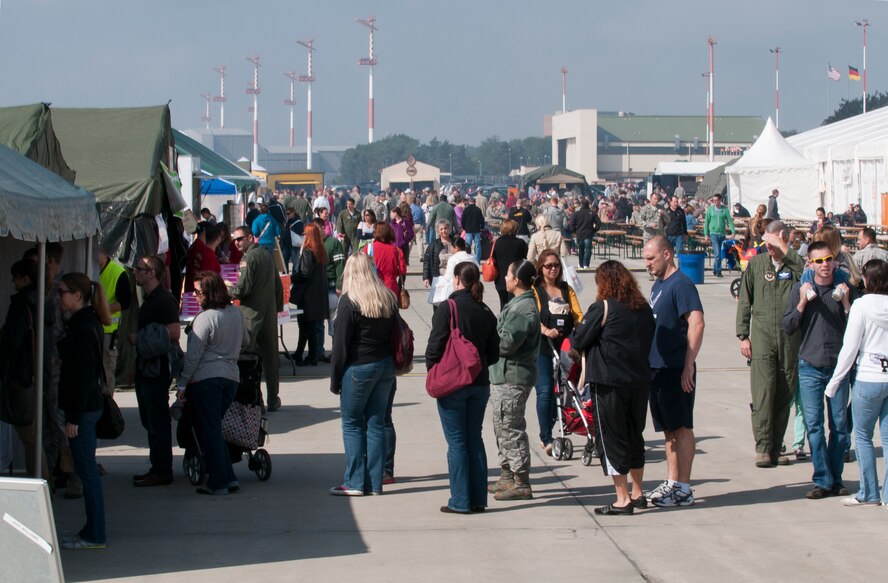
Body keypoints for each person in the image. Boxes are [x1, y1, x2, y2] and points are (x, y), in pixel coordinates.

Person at [572, 260, 655, 516]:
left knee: (611, 438)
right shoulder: (642, 308)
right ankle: (638, 491)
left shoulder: (603, 307)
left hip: (609, 382)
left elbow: (578, 339)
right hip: (639, 380)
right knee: (634, 436)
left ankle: (622, 498)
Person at [782, 241, 856, 499]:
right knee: (814, 425)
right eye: (819, 261)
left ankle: (836, 478)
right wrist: (802, 302)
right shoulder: (801, 289)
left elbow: (857, 328)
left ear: (835, 260)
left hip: (838, 366)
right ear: (810, 264)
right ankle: (822, 479)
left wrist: (847, 303)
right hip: (810, 365)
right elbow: (788, 326)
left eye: (829, 259)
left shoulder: (845, 288)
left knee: (839, 425)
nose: (825, 265)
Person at [428, 262, 499, 512]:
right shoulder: (485, 310)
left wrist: (434, 370)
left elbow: (434, 345)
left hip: (454, 383)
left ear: (457, 279)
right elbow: (494, 352)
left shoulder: (449, 308)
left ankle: (460, 500)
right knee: (474, 439)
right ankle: (478, 499)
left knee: (457, 442)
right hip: (479, 383)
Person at [642, 236, 705, 508]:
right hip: (657, 367)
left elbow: (697, 323)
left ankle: (684, 487)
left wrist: (688, 363)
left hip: (676, 367)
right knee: (668, 429)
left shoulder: (682, 284)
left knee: (681, 426)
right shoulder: (659, 285)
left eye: (651, 258)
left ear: (667, 254)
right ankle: (672, 481)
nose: (647, 264)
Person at [736, 222, 804, 467]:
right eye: (767, 243)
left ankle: (777, 446)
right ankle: (763, 447)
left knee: (785, 391)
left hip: (789, 337)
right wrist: (743, 335)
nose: (770, 248)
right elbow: (745, 300)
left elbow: (807, 272)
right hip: (762, 335)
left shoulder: (793, 266)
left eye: (774, 243)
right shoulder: (757, 265)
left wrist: (784, 248)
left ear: (783, 240)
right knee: (763, 392)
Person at [329, 254, 397, 496]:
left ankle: (355, 481)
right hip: (385, 365)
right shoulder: (387, 297)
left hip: (359, 367)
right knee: (376, 422)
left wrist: (335, 379)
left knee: (352, 423)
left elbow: (340, 346)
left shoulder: (349, 302)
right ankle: (374, 482)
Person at [176, 271, 249, 496]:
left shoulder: (205, 318)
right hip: (231, 378)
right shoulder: (235, 313)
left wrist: (182, 384)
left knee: (210, 432)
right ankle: (229, 478)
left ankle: (218, 482)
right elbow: (246, 341)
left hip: (207, 379)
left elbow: (193, 356)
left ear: (209, 292)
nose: (195, 296)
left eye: (198, 292)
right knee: (214, 430)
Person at [825, 259, 888, 505]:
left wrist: (834, 383)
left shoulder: (861, 305)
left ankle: (869, 492)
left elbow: (850, 348)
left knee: (862, 436)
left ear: (867, 279)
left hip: (868, 378)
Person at [56, 273, 110, 549]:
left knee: (87, 472)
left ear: (77, 295)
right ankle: (93, 531)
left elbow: (83, 377)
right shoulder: (86, 323)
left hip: (84, 410)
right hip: (87, 408)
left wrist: (74, 418)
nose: (59, 297)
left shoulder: (82, 327)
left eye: (63, 292)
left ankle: (95, 534)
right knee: (87, 471)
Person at [131, 255, 180, 487]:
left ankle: (162, 469)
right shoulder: (150, 299)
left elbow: (174, 333)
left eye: (139, 269)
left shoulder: (164, 300)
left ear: (151, 273)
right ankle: (157, 466)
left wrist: (140, 338)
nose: (135, 272)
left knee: (157, 420)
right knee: (149, 419)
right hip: (146, 368)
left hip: (157, 369)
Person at [0, 260, 50, 480]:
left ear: (25, 279)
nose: (13, 282)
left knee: (29, 434)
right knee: (32, 432)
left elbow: (12, 341)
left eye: (16, 277)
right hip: (37, 372)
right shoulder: (42, 301)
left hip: (24, 375)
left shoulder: (23, 304)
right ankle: (40, 479)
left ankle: (39, 481)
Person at [531, 250, 582, 456]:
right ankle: (546, 436)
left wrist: (582, 332)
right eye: (548, 265)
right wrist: (545, 330)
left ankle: (566, 423)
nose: (553, 269)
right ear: (541, 268)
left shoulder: (566, 289)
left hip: (565, 347)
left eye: (556, 265)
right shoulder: (536, 290)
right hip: (543, 347)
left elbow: (578, 314)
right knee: (545, 391)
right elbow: (533, 316)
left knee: (567, 390)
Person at [231, 226, 284, 411]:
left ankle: (256, 399)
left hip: (251, 315)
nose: (237, 242)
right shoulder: (267, 254)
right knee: (271, 358)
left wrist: (227, 291)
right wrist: (276, 308)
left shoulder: (249, 258)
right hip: (268, 314)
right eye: (235, 240)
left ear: (250, 238)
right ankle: (273, 398)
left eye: (240, 239)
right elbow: (277, 284)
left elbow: (243, 288)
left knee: (247, 359)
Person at [290, 223, 330, 367]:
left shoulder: (308, 250)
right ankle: (301, 352)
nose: (303, 236)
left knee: (306, 325)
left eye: (305, 234)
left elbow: (305, 273)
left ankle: (310, 355)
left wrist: (292, 277)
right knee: (310, 325)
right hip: (318, 292)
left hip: (308, 294)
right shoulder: (320, 250)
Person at [98, 246, 132, 396]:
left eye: (97, 253)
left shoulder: (118, 273)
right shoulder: (87, 267)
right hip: (93, 329)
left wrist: (103, 310)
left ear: (105, 253)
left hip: (108, 332)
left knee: (106, 371)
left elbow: (125, 302)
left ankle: (108, 409)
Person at [316, 218, 346, 363]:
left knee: (333, 322)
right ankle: (319, 351)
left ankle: (336, 351)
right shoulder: (314, 244)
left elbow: (340, 264)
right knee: (318, 323)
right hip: (319, 289)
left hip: (332, 288)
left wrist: (340, 284)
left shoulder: (333, 243)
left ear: (323, 228)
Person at [489, 219, 529, 310]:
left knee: (503, 305)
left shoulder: (497, 242)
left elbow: (493, 257)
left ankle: (502, 322)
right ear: (515, 229)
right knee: (514, 306)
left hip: (500, 279)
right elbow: (525, 257)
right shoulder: (520, 243)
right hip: (515, 279)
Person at [364, 221, 407, 298]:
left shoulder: (368, 248)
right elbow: (402, 270)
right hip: (391, 288)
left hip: (373, 288)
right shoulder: (397, 250)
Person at [703, 194, 736, 278]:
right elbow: (706, 222)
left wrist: (733, 231)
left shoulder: (724, 210)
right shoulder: (710, 210)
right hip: (713, 234)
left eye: (716, 200)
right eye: (713, 200)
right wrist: (706, 234)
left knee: (720, 254)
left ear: (720, 200)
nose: (715, 202)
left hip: (722, 234)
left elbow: (729, 221)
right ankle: (718, 271)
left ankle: (715, 269)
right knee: (717, 254)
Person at [184, 223, 222, 293]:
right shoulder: (203, 249)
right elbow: (208, 278)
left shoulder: (198, 245)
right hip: (199, 291)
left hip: (194, 288)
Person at [422, 219, 455, 290]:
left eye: (445, 228)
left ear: (449, 229)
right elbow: (427, 261)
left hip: (454, 278)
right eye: (441, 229)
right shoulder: (433, 245)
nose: (444, 231)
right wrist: (426, 277)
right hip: (439, 277)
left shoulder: (456, 243)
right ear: (438, 231)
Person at [569, 199, 601, 270]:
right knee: (588, 249)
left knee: (581, 249)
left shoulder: (576, 213)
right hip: (589, 233)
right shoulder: (592, 213)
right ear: (588, 205)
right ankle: (586, 264)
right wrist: (594, 230)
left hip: (579, 234)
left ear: (581, 205)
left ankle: (581, 264)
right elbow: (599, 223)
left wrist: (575, 231)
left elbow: (571, 224)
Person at [460, 196, 485, 263]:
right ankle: (477, 260)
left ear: (469, 202)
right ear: (475, 202)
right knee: (477, 246)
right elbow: (482, 220)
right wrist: (482, 227)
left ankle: (468, 259)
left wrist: (464, 227)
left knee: (468, 245)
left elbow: (462, 220)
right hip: (477, 229)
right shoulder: (478, 210)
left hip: (468, 230)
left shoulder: (466, 210)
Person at [282, 207, 304, 274]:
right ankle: (285, 275)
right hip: (287, 244)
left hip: (294, 245)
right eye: (286, 214)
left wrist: (293, 228)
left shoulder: (299, 222)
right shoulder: (288, 221)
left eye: (288, 213)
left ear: (293, 213)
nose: (287, 215)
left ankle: (294, 277)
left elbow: (301, 232)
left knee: (295, 263)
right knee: (284, 261)